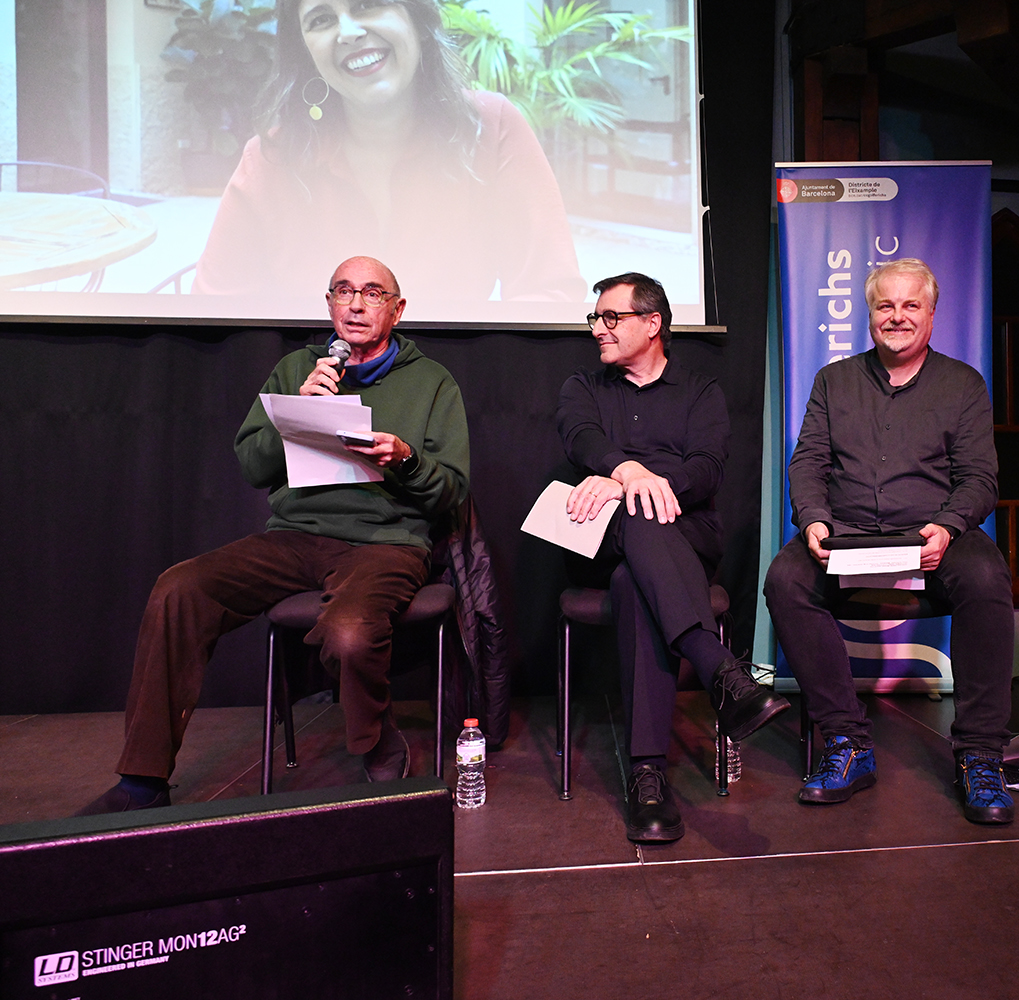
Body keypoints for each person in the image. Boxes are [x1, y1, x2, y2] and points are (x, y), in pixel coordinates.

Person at [79, 255, 469, 814]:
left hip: (386, 542)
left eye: (372, 293)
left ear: (397, 309)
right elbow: (252, 466)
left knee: (350, 633)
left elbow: (452, 492)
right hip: (295, 536)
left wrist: (405, 459)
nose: (356, 304)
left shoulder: (432, 382)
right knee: (178, 588)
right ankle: (143, 778)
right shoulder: (297, 369)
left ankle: (377, 739)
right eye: (343, 291)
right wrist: (295, 420)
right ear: (329, 304)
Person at [763, 259, 1018, 825]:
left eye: (910, 306)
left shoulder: (963, 384)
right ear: (870, 314)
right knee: (785, 580)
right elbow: (809, 462)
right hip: (848, 531)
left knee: (985, 576)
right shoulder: (834, 380)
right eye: (885, 305)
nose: (897, 317)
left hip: (935, 531)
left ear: (931, 314)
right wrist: (813, 520)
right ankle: (847, 742)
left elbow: (980, 477)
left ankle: (980, 755)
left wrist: (948, 526)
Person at [558, 272, 788, 843]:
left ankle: (647, 775)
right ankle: (721, 672)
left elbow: (707, 468)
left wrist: (642, 486)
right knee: (635, 520)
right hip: (603, 535)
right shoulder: (583, 386)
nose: (598, 329)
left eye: (611, 317)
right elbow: (580, 436)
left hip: (688, 534)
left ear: (652, 323)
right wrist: (626, 472)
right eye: (595, 318)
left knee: (635, 580)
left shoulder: (700, 391)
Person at [193, 0, 584, 309]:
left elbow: (549, 294)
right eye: (321, 19)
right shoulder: (271, 158)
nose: (348, 32)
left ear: (418, 20)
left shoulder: (491, 128)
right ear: (305, 52)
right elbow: (215, 316)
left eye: (368, 4)